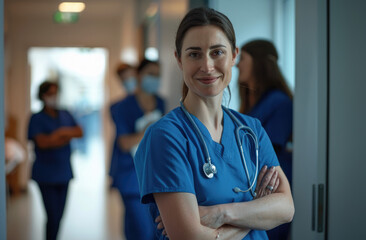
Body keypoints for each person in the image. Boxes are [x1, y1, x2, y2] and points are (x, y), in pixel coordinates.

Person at [134, 7, 294, 240]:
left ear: (234, 55)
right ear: (179, 59)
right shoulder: (166, 136)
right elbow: (189, 237)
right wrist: (257, 209)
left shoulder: (251, 131)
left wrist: (219, 213)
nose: (207, 66)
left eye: (217, 52)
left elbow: (286, 208)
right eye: (194, 54)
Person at [237, 39, 293, 240]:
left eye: (242, 58)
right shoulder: (252, 104)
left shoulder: (280, 102)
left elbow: (266, 155)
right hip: (251, 188)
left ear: (258, 62)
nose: (236, 64)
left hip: (271, 187)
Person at [110, 59, 165, 240]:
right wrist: (152, 130)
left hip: (155, 176)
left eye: (157, 75)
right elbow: (124, 143)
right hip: (130, 176)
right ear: (139, 75)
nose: (154, 79)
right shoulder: (123, 107)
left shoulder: (162, 103)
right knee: (143, 231)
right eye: (150, 74)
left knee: (150, 229)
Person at [27, 81, 83, 240]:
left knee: (59, 216)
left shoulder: (65, 113)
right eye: (50, 94)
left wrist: (60, 133)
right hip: (45, 174)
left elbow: (79, 131)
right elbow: (42, 143)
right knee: (52, 216)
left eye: (56, 93)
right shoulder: (37, 118)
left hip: (64, 172)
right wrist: (62, 137)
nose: (54, 97)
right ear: (42, 96)